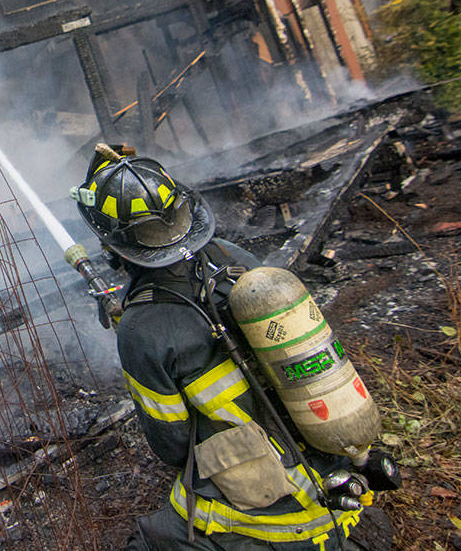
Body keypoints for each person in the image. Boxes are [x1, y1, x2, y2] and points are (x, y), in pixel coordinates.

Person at [71, 146, 397, 550]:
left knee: (148, 542)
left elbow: (172, 447)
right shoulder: (233, 257)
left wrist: (140, 336)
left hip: (277, 515)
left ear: (114, 245)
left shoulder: (141, 330)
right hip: (335, 467)